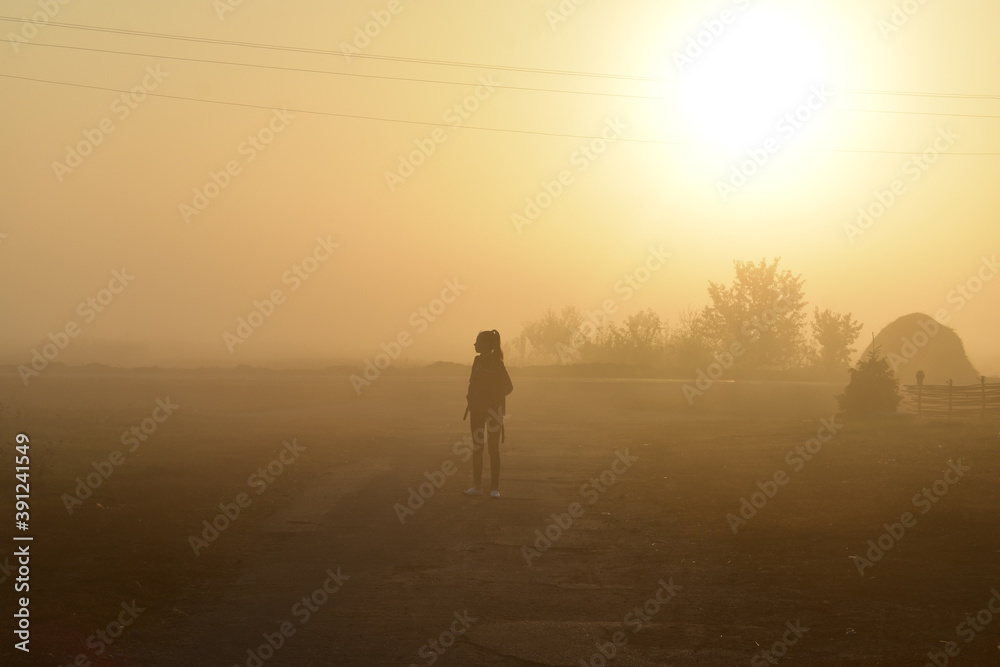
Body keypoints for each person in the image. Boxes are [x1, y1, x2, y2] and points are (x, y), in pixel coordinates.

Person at [463, 329, 513, 498]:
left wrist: (491, 400)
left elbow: (508, 387)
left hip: (493, 412)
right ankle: (477, 486)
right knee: (477, 448)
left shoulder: (497, 363)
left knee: (493, 449)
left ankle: (494, 488)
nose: (475, 344)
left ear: (487, 344)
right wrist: (471, 399)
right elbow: (472, 383)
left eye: (478, 341)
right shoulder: (477, 361)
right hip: (477, 410)